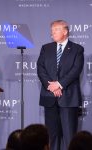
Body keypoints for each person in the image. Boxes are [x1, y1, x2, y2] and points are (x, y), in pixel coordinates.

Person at [37, 20, 84, 150]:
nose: (52, 32)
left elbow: (76, 70)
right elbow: (40, 69)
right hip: (49, 97)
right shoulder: (46, 48)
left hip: (68, 98)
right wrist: (51, 86)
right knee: (52, 137)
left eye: (56, 29)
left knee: (70, 137)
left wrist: (59, 84)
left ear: (65, 31)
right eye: (52, 30)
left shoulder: (77, 49)